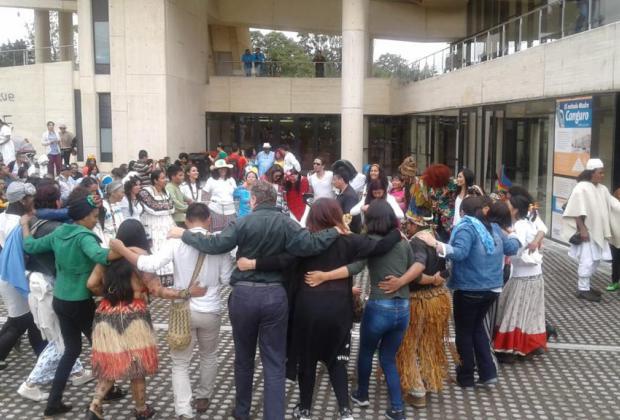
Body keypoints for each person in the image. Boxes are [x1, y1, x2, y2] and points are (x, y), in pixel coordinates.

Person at [167, 181, 342, 420]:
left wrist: (184, 234)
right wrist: (334, 231)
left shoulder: (243, 222)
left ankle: (242, 412)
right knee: (274, 361)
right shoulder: (286, 223)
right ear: (274, 199)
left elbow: (215, 245)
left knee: (244, 359)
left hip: (244, 296)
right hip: (274, 296)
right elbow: (310, 244)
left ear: (253, 200)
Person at [238, 198, 401, 420]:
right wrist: (397, 232)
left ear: (312, 217)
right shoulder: (350, 241)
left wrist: (253, 264)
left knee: (308, 360)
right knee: (336, 359)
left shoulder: (305, 243)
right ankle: (345, 411)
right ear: (336, 215)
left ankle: (304, 410)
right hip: (338, 309)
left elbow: (282, 261)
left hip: (307, 310)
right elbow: (380, 247)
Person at [112, 204, 232, 419]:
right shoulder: (218, 244)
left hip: (182, 310)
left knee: (179, 363)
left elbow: (150, 263)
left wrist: (121, 250)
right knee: (209, 355)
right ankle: (203, 397)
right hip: (211, 309)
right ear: (208, 221)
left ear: (186, 221)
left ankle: (183, 411)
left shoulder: (176, 241)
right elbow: (226, 278)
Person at [86, 219, 206, 420]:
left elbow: (91, 284)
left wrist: (109, 295)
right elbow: (157, 290)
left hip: (107, 315)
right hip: (135, 318)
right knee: (136, 365)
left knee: (111, 362)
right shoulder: (141, 259)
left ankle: (95, 405)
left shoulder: (106, 257)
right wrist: (186, 293)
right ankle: (141, 410)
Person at [22, 189, 124, 417]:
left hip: (61, 299)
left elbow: (30, 246)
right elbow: (101, 256)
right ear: (84, 217)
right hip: (80, 302)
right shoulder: (84, 237)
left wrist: (24, 225)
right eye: (94, 215)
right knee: (102, 348)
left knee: (71, 350)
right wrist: (128, 250)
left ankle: (53, 403)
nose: (96, 219)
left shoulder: (61, 232)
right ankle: (108, 391)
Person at [417, 196, 521, 388]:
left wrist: (435, 244)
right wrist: (514, 232)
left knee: (464, 332)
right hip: (492, 289)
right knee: (477, 328)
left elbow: (460, 252)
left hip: (470, 289)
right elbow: (512, 247)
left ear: (463, 212)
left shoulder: (466, 226)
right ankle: (488, 373)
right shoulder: (494, 227)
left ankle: (465, 377)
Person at [17, 182, 92, 402]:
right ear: (57, 201)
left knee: (63, 338)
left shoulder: (34, 222)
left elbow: (29, 246)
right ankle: (30, 383)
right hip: (51, 287)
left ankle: (77, 372)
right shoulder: (56, 229)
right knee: (59, 339)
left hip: (38, 284)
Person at [387, 210, 452, 409]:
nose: (406, 225)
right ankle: (428, 379)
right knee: (428, 343)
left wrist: (401, 282)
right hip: (437, 299)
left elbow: (418, 269)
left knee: (409, 344)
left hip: (418, 302)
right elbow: (448, 267)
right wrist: (438, 279)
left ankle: (416, 390)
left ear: (415, 224)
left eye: (408, 222)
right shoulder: (437, 238)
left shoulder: (416, 242)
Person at [493, 193, 548, 362]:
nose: (506, 207)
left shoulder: (522, 226)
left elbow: (514, 247)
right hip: (528, 275)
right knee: (525, 312)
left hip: (524, 277)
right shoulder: (526, 222)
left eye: (508, 204)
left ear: (515, 209)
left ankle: (511, 348)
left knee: (515, 311)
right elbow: (542, 230)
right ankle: (524, 346)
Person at [0, 182, 46, 371]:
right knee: (21, 320)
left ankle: (43, 359)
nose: (32, 200)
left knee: (27, 319)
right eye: (30, 198)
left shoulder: (4, 217)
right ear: (22, 200)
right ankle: (43, 360)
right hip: (15, 275)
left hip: (9, 273)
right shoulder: (17, 223)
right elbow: (25, 251)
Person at [562, 158, 620, 302]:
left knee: (595, 260)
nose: (602, 175)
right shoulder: (581, 188)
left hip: (598, 231)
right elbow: (575, 210)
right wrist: (582, 229)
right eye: (600, 173)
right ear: (591, 173)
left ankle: (586, 286)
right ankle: (582, 289)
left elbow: (614, 205)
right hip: (587, 231)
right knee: (587, 260)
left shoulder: (602, 189)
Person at [138, 170, 175, 281]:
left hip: (166, 225)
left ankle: (168, 279)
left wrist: (163, 207)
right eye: (163, 178)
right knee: (155, 250)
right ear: (155, 180)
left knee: (167, 250)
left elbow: (172, 208)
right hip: (152, 225)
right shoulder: (145, 192)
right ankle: (154, 280)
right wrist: (164, 207)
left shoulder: (166, 192)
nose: (165, 180)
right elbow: (154, 208)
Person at [202, 159, 237, 232]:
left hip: (230, 211)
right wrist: (206, 206)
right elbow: (204, 194)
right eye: (220, 169)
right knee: (216, 232)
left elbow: (236, 193)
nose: (222, 170)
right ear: (216, 170)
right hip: (215, 211)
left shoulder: (231, 179)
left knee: (230, 231)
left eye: (224, 168)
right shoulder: (211, 180)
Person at [332, 168, 361, 234]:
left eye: (334, 179)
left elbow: (348, 218)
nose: (333, 182)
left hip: (349, 233)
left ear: (341, 180)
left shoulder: (350, 195)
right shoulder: (342, 192)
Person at [101, 181, 126, 245]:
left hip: (120, 240)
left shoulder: (118, 204)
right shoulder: (103, 206)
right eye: (122, 192)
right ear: (113, 193)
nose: (124, 195)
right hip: (108, 242)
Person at [608, 187, 620, 291]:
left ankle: (615, 282)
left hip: (615, 238)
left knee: (616, 261)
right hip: (615, 238)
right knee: (615, 261)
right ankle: (615, 282)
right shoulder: (613, 204)